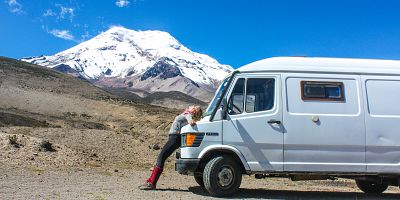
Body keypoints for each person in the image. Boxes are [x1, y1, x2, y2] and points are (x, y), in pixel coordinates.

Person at [139, 105, 203, 190]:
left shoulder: (188, 114)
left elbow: (190, 121)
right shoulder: (187, 113)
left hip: (175, 138)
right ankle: (150, 181)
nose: (191, 106)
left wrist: (192, 122)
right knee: (161, 157)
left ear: (194, 110)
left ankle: (151, 183)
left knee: (161, 157)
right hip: (174, 138)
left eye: (193, 106)